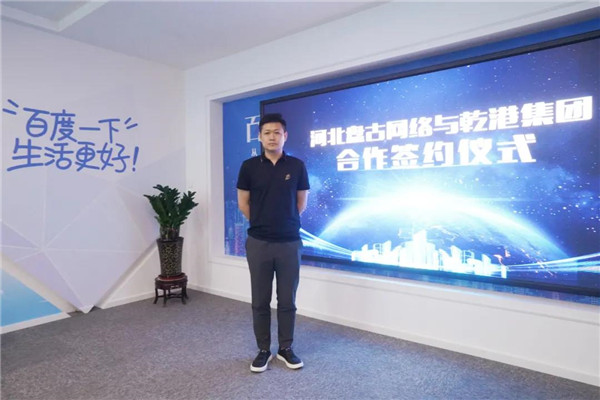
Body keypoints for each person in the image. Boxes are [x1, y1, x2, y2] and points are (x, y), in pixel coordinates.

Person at [236, 113, 310, 373]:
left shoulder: (297, 166)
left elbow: (301, 203)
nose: (272, 137)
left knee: (287, 299)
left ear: (284, 136)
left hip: (289, 242)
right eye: (267, 133)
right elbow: (243, 203)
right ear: (259, 137)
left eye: (277, 132)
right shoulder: (249, 167)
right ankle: (263, 350)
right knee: (260, 300)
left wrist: (283, 223)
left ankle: (285, 348)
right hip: (259, 242)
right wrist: (262, 222)